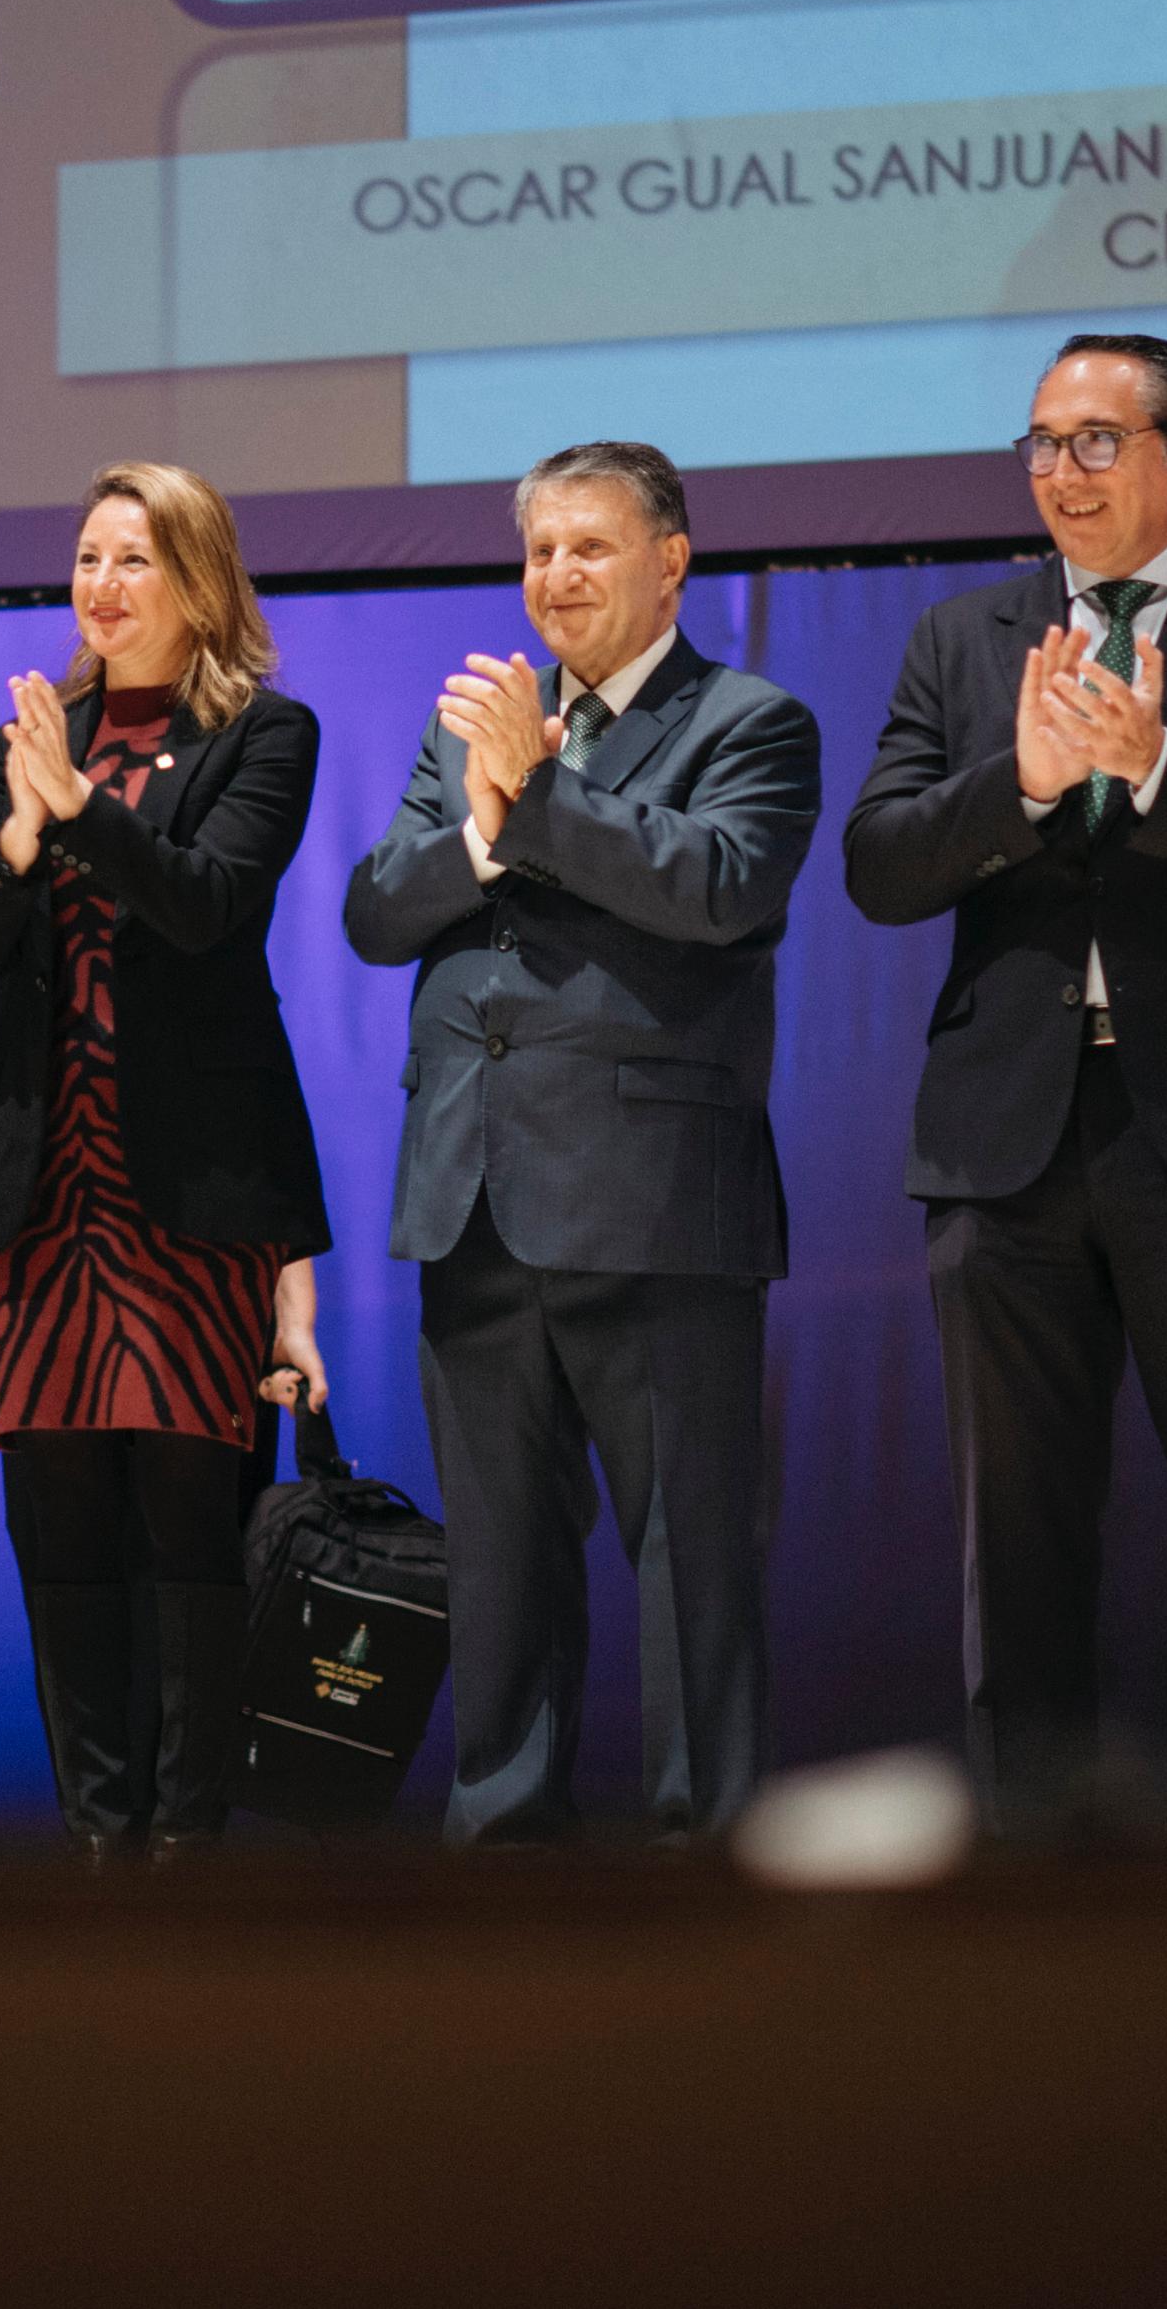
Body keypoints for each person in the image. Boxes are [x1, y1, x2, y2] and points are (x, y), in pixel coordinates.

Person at [842, 336, 1167, 1841]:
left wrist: (1159, 767)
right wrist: (1013, 787)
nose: (1059, 475)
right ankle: (1030, 1876)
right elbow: (880, 864)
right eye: (1038, 447)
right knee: (1012, 1554)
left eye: (1093, 443)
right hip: (1004, 1145)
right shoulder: (966, 636)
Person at [342, 440, 820, 1847]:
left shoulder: (750, 720)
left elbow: (720, 884)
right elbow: (380, 912)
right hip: (471, 1200)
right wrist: (483, 832)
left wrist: (533, 800)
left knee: (691, 1575)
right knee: (498, 1573)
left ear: (671, 558)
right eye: (541, 549)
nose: (556, 575)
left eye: (590, 547)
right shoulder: (479, 726)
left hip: (657, 1209)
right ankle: (503, 1861)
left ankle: (706, 1869)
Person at [0, 462, 331, 1865]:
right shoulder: (16, 749)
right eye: (87, 559)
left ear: (200, 581)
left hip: (192, 1200)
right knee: (68, 1549)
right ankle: (100, 1845)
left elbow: (207, 905)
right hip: (44, 1204)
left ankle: (187, 1848)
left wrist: (83, 814)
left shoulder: (264, 735)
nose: (101, 587)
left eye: (134, 561)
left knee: (191, 1545)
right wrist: (29, 821)